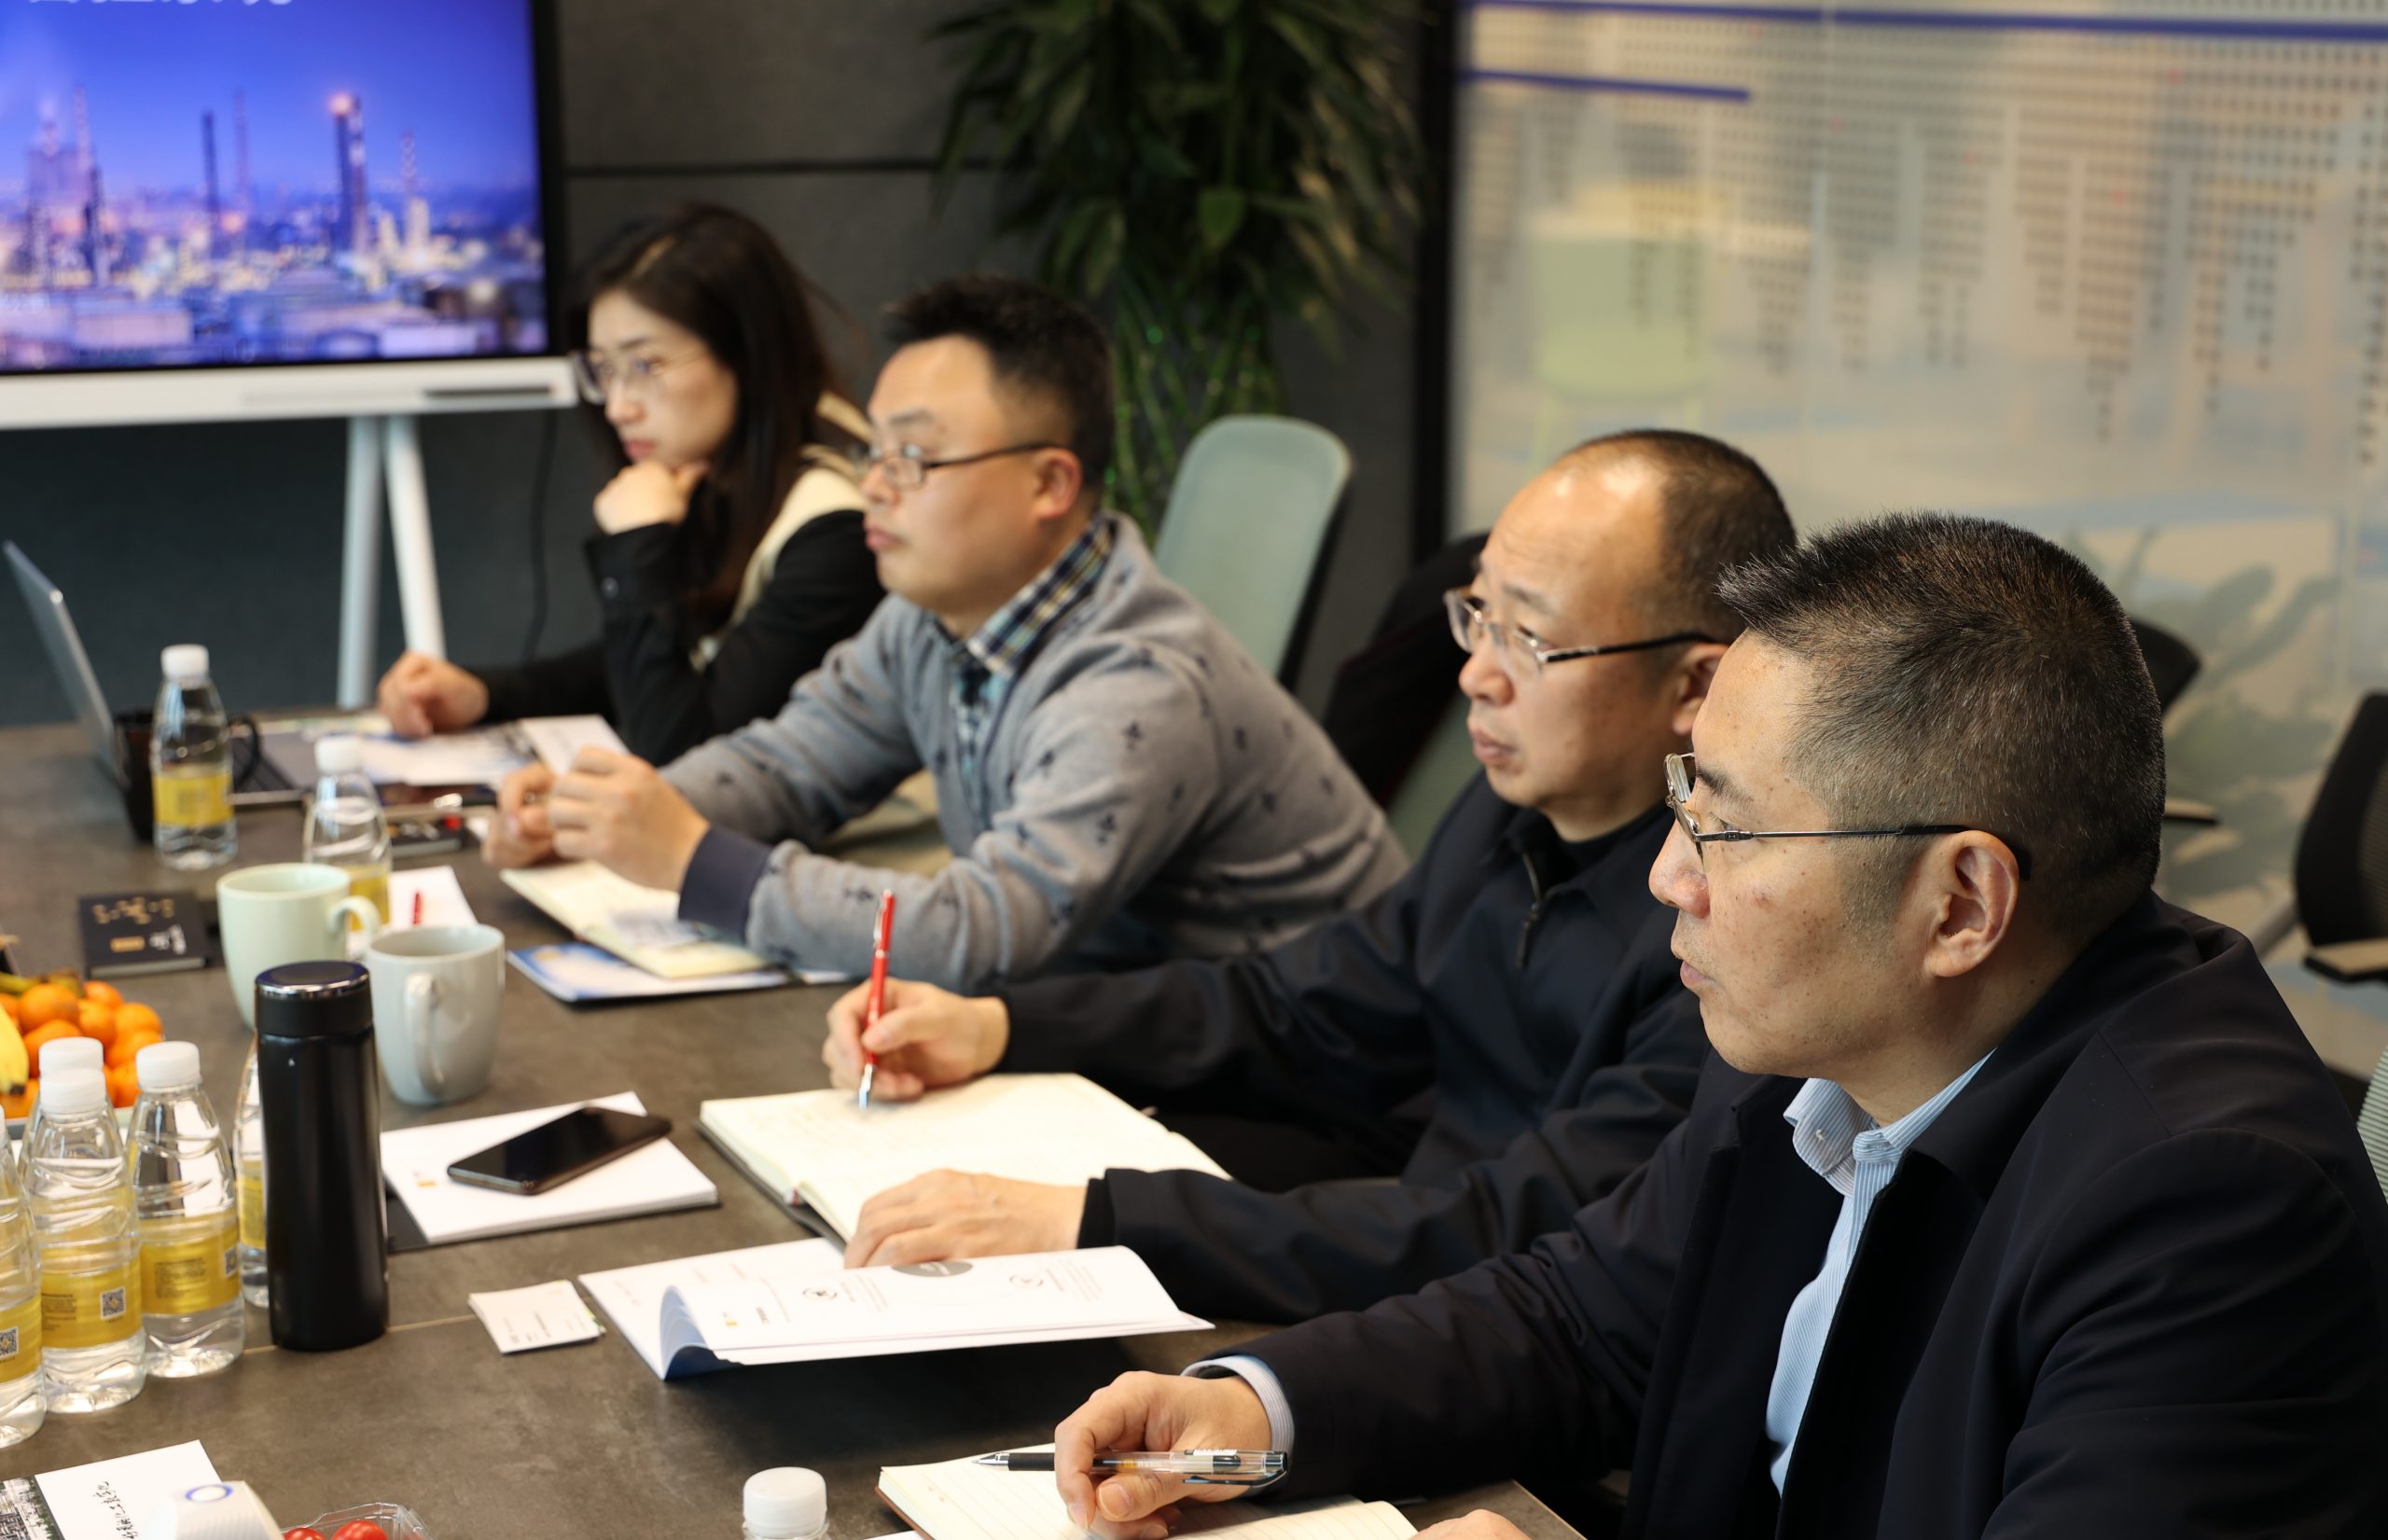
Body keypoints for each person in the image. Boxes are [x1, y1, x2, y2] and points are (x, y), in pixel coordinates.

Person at [1045, 513, 2388, 1539]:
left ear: (1961, 902)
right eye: (1684, 804)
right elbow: (1574, 1319)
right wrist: (1252, 1410)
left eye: (1726, 828)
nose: (1666, 877)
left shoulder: (2209, 1209)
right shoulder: (1824, 1046)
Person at [820, 434, 1798, 1326]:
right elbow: (1298, 1005)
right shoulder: (1517, 807)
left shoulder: (1720, 929)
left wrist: (1101, 1223)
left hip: (1519, 1334)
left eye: (1530, 641)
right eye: (1478, 615)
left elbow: (1522, 1228)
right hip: (1420, 1275)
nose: (1475, 674)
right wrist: (999, 1025)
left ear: (1695, 686)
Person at [483, 275, 1408, 991]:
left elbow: (982, 931)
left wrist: (691, 857)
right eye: (875, 451)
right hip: (1123, 1018)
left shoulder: (1135, 681)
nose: (875, 486)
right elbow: (789, 764)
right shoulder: (928, 616)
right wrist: (611, 812)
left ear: (1050, 483)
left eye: (916, 456)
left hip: (1299, 1070)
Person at [376, 204, 882, 765]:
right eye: (603, 370)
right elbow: (673, 662)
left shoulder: (838, 530)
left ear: (745, 354)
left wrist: (640, 547)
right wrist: (488, 694)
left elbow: (682, 751)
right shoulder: (721, 477)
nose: (618, 408)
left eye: (645, 366)